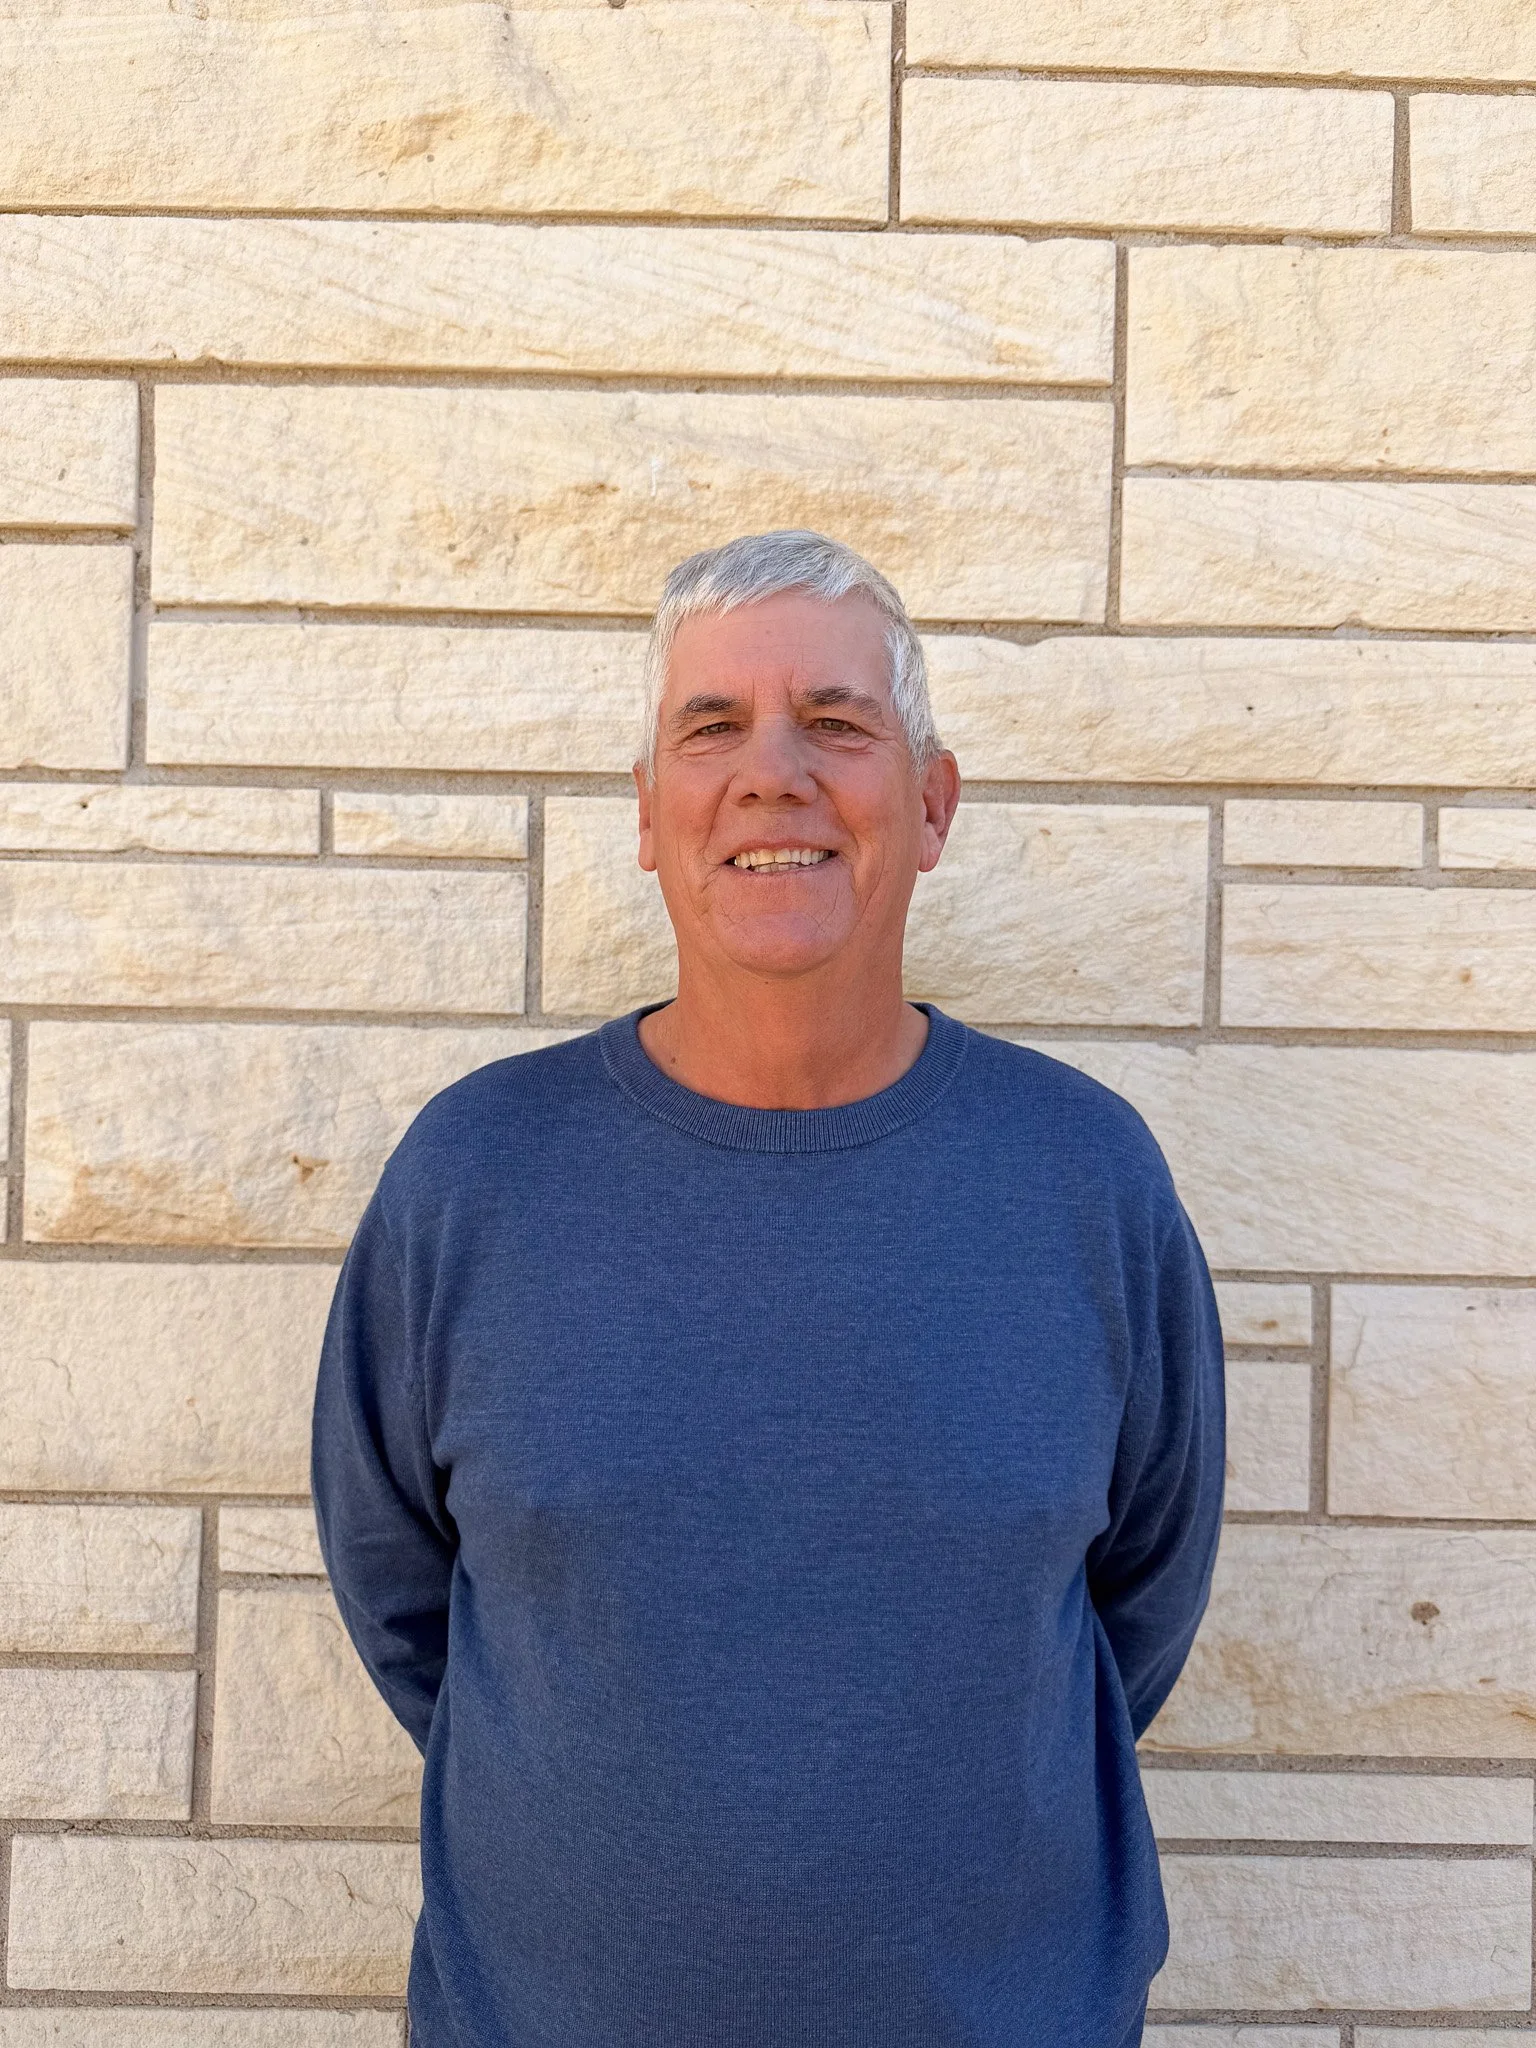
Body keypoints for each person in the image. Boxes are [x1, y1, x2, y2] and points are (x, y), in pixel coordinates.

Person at [312, 529, 1225, 2048]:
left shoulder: (1086, 1181)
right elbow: (400, 1588)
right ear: (649, 812)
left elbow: (1140, 1597)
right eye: (714, 726)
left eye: (838, 722)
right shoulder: (476, 1177)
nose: (772, 774)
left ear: (931, 805)